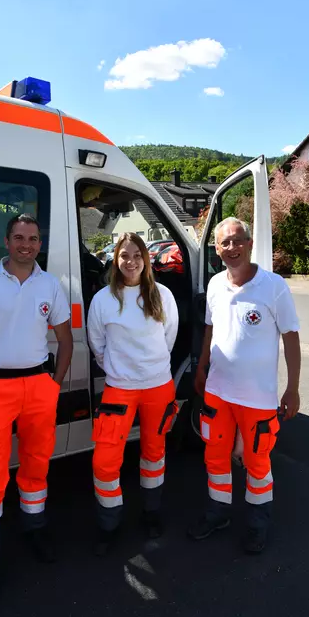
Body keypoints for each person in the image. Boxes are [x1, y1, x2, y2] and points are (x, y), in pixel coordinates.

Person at [0, 213, 73, 603]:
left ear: (40, 244)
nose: (26, 245)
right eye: (19, 238)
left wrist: (53, 385)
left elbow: (65, 339)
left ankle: (34, 530)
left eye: (33, 239)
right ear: (6, 242)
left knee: (37, 463)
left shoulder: (50, 284)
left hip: (38, 386)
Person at [188, 217, 301, 554]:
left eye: (238, 240)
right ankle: (217, 514)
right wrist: (202, 366)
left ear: (250, 244)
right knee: (215, 457)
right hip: (217, 392)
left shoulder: (273, 286)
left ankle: (257, 525)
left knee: (257, 462)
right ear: (216, 248)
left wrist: (292, 388)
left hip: (258, 398)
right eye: (225, 242)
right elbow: (210, 329)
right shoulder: (214, 285)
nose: (232, 247)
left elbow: (291, 338)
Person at [87, 232, 179, 555]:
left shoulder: (163, 295)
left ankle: (151, 513)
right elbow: (97, 344)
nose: (131, 261)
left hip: (158, 386)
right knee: (104, 461)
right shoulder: (103, 300)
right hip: (119, 389)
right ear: (116, 260)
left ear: (146, 259)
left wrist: (148, 368)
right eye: (125, 255)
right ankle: (109, 524)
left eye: (138, 255)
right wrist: (119, 369)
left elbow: (169, 337)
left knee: (154, 454)